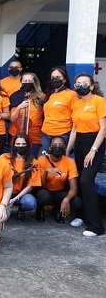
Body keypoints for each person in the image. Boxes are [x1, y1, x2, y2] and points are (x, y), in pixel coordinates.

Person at [65, 73, 106, 237]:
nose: (80, 85)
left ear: (91, 86)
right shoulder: (76, 103)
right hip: (80, 142)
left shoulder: (99, 101)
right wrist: (68, 150)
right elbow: (74, 129)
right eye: (77, 83)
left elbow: (103, 129)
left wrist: (93, 150)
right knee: (80, 179)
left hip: (95, 142)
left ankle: (96, 226)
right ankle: (82, 215)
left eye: (84, 83)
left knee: (86, 180)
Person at [36, 136, 81, 223]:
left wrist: (66, 199)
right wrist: (46, 171)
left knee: (77, 202)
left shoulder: (70, 162)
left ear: (65, 147)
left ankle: (58, 210)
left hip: (60, 192)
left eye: (61, 145)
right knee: (44, 196)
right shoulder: (42, 159)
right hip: (45, 190)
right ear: (49, 147)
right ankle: (40, 209)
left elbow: (74, 188)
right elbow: (40, 186)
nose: (57, 147)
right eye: (54, 145)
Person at [1, 133, 40, 221]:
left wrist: (14, 199)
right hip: (4, 192)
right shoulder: (4, 158)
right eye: (18, 144)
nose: (21, 146)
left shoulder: (34, 162)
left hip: (21, 194)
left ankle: (21, 210)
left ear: (28, 146)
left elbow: (30, 186)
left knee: (30, 202)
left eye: (23, 144)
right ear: (13, 145)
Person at [40, 66, 77, 152]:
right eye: (52, 77)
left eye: (58, 77)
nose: (55, 79)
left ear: (64, 80)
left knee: (61, 162)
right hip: (46, 134)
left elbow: (75, 117)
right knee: (48, 161)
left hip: (62, 134)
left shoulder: (72, 95)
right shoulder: (49, 95)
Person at [8, 72, 44, 157]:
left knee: (33, 159)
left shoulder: (41, 97)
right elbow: (12, 119)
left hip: (35, 136)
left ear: (34, 82)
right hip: (17, 134)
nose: (27, 82)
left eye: (30, 81)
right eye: (25, 81)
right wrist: (19, 107)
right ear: (21, 82)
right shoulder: (15, 96)